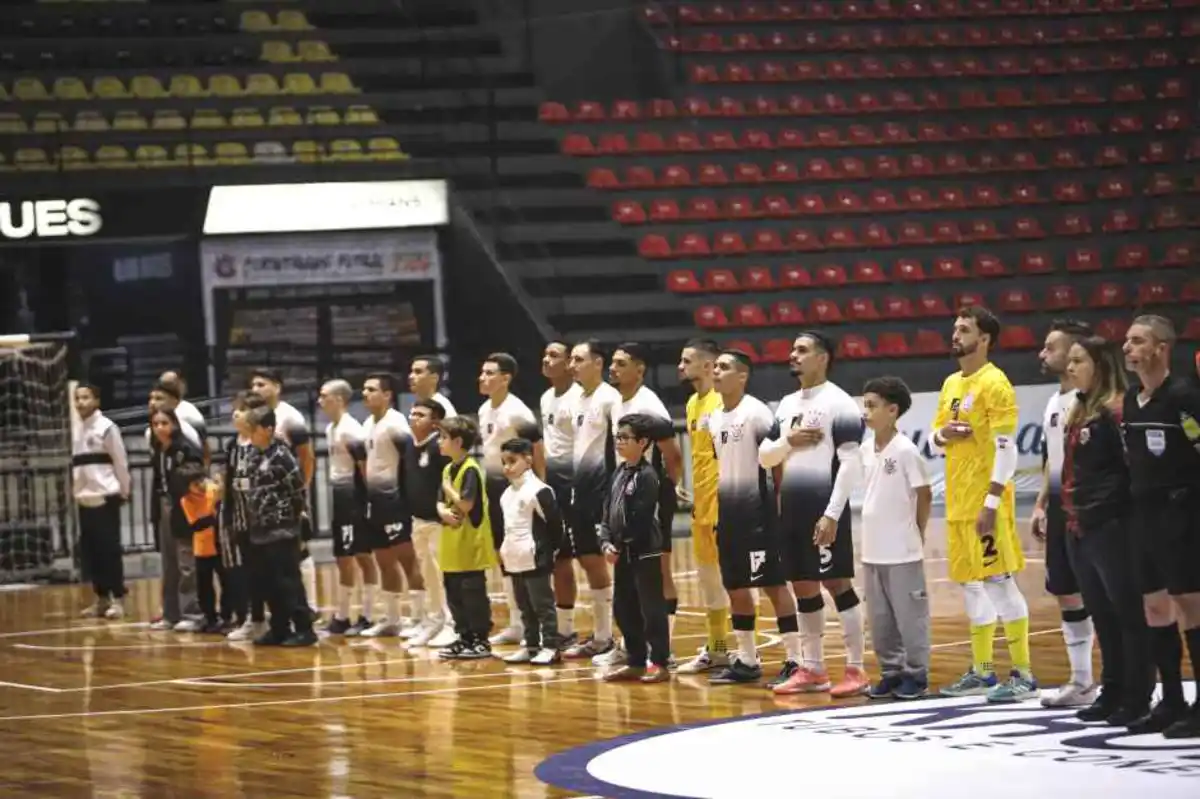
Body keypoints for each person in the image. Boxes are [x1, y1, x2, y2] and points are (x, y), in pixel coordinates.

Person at [931, 306, 1037, 703]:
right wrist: (943, 434)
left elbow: (1006, 452)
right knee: (971, 585)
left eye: (964, 329)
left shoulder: (997, 384)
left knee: (998, 581)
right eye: (955, 327)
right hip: (956, 502)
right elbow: (933, 441)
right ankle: (983, 671)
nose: (955, 334)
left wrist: (991, 501)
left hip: (984, 503)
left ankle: (1023, 674)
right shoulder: (950, 383)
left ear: (985, 339)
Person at [758, 332, 868, 697]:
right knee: (802, 585)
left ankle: (856, 668)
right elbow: (765, 457)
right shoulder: (787, 404)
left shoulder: (841, 404)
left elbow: (852, 465)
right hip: (790, 508)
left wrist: (833, 514)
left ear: (823, 358)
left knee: (837, 584)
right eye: (792, 349)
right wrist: (789, 442)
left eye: (802, 350)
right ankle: (813, 669)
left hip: (824, 508)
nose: (793, 355)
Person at [820, 377, 933, 700]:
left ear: (893, 410)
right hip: (872, 551)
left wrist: (918, 531)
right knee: (881, 621)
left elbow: (923, 494)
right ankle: (892, 672)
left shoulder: (907, 450)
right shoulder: (866, 450)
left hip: (902, 552)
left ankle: (916, 674)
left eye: (871, 405)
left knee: (910, 619)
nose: (864, 411)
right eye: (864, 404)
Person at [1061, 336, 1154, 726]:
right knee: (1101, 613)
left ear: (1099, 364)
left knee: (1127, 614)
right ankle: (1111, 689)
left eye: (1078, 360)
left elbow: (1132, 469)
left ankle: (1137, 694)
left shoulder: (1117, 410)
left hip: (1112, 524)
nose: (1069, 367)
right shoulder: (1079, 408)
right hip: (1079, 525)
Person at [1122, 315, 1200, 738]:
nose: (1128, 349)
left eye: (1137, 341)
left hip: (1182, 513)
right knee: (1155, 607)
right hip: (1143, 516)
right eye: (1127, 342)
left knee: (1190, 606)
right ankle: (1170, 698)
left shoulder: (1185, 395)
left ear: (1161, 347)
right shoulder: (1132, 400)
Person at [704, 351, 802, 686]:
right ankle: (747, 659)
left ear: (743, 376)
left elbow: (777, 465)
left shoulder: (757, 413)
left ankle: (795, 659)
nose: (716, 372)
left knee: (773, 584)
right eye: (715, 367)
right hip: (729, 515)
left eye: (724, 367)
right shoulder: (714, 418)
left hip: (759, 515)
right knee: (735, 586)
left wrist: (778, 510)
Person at [602, 342, 684, 667]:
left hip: (648, 499)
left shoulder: (649, 405)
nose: (613, 367)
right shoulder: (616, 404)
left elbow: (673, 455)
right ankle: (633, 645)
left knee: (658, 573)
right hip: (625, 492)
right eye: (612, 361)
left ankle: (665, 648)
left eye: (621, 363)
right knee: (627, 577)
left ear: (640, 369)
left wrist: (667, 490)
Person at [1032, 320, 1098, 708]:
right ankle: (1082, 681)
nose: (1044, 354)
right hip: (1059, 507)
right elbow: (1050, 460)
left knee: (1103, 595)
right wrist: (1041, 503)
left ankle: (1127, 679)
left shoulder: (1093, 403)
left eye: (1051, 347)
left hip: (1088, 509)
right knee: (1066, 593)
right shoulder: (1053, 403)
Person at [559, 341, 620, 660]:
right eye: (571, 359)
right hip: (580, 493)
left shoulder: (610, 399)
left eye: (579, 359)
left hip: (603, 495)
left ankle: (613, 637)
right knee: (586, 559)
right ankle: (601, 636)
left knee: (604, 562)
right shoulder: (577, 400)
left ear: (598, 363)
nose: (572, 365)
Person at [600, 414, 672, 683]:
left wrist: (619, 544)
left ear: (642, 442)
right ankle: (635, 660)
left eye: (625, 438)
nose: (619, 443)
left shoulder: (648, 476)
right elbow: (607, 511)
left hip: (644, 551)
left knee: (650, 607)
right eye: (617, 438)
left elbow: (641, 518)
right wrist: (606, 541)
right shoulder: (618, 472)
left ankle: (660, 662)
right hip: (621, 551)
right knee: (623, 607)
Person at [477, 352, 542, 646]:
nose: (483, 377)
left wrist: (539, 488)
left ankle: (537, 622)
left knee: (524, 554)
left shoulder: (518, 412)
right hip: (493, 489)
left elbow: (537, 449)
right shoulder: (482, 410)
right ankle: (516, 622)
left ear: (506, 378)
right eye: (482, 372)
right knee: (504, 553)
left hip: (518, 489)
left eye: (490, 373)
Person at [677, 338, 730, 673]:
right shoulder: (691, 404)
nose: (680, 367)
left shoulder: (722, 403)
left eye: (686, 361)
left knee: (735, 580)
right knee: (709, 579)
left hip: (724, 502)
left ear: (708, 366)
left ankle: (753, 652)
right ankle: (718, 648)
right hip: (701, 502)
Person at [359, 372, 426, 638]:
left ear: (387, 395)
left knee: (407, 559)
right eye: (364, 389)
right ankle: (392, 618)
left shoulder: (396, 424)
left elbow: (410, 461)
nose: (365, 393)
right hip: (375, 502)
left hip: (395, 502)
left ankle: (421, 617)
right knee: (383, 559)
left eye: (371, 389)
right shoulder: (367, 424)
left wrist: (406, 499)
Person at [244, 407, 316, 647]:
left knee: (288, 581)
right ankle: (279, 627)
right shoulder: (253, 455)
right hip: (259, 530)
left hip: (282, 529)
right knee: (267, 582)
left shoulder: (282, 456)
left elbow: (296, 491)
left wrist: (295, 522)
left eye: (253, 429)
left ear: (268, 430)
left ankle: (304, 628)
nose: (250, 434)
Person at [249, 368, 318, 612]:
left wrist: (301, 490)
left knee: (299, 548)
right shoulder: (254, 416)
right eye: (253, 385)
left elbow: (307, 457)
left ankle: (310, 605)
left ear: (277, 387)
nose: (256, 389)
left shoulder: (290, 417)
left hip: (288, 495)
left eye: (261, 384)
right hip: (266, 500)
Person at [319, 379, 377, 636]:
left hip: (355, 497)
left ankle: (368, 614)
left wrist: (368, 500)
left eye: (324, 396)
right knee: (343, 556)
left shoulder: (350, 430)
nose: (320, 401)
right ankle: (342, 615)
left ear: (339, 399)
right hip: (340, 497)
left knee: (362, 555)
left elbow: (364, 467)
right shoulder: (331, 428)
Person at [498, 438, 564, 665]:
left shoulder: (540, 491)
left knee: (542, 605)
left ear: (528, 459)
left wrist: (549, 551)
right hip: (514, 557)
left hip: (536, 557)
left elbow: (555, 525)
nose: (507, 467)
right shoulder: (506, 495)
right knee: (524, 606)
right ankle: (531, 645)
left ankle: (551, 647)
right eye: (504, 462)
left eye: (512, 461)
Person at [436, 416, 497, 659]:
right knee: (454, 594)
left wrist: (449, 488)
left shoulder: (471, 468)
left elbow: (466, 503)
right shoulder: (447, 468)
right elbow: (440, 501)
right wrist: (442, 511)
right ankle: (464, 636)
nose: (439, 442)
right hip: (452, 543)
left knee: (472, 594)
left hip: (471, 543)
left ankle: (480, 639)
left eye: (443, 438)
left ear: (458, 441)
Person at [72, 382, 131, 620]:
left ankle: (117, 599)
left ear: (96, 400)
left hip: (106, 496)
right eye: (77, 398)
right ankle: (101, 598)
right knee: (92, 552)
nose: (80, 403)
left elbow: (120, 460)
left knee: (109, 551)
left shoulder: (107, 427)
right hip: (84, 498)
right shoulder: (77, 430)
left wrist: (124, 489)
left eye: (85, 397)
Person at [538, 342, 584, 647]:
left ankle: (606, 632)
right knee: (559, 557)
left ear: (569, 363)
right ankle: (564, 629)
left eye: (554, 355)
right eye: (545, 354)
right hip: (553, 487)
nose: (546, 359)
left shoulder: (579, 398)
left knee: (591, 559)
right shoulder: (545, 398)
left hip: (577, 486)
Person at [147, 407, 205, 632]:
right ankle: (170, 613)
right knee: (168, 562)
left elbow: (197, 470)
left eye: (164, 423)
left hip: (183, 506)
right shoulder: (158, 449)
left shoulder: (184, 448)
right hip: (164, 504)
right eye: (155, 424)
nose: (160, 428)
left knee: (186, 561)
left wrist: (181, 478)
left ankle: (191, 613)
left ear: (174, 424)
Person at [403, 398, 451, 647]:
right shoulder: (410, 446)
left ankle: (451, 624)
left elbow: (449, 484)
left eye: (420, 415)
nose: (414, 418)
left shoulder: (439, 448)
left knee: (443, 573)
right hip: (418, 520)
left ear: (435, 423)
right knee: (427, 574)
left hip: (438, 523)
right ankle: (434, 620)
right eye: (412, 414)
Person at [225, 392, 268, 642]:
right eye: (234, 409)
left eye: (241, 409)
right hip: (240, 518)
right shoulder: (232, 446)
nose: (235, 414)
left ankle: (269, 618)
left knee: (265, 572)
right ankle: (253, 618)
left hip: (261, 520)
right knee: (246, 572)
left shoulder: (261, 444)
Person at [178, 463, 238, 633]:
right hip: (202, 548)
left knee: (227, 582)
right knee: (204, 586)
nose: (200, 486)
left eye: (201, 480)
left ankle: (227, 617)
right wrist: (215, 511)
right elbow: (197, 524)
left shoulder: (215, 490)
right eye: (195, 484)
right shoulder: (186, 501)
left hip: (220, 545)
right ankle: (210, 617)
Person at [160, 370, 209, 462]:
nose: (167, 389)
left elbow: (204, 444)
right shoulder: (157, 414)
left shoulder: (190, 413)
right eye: (164, 385)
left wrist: (205, 466)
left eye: (171, 384)